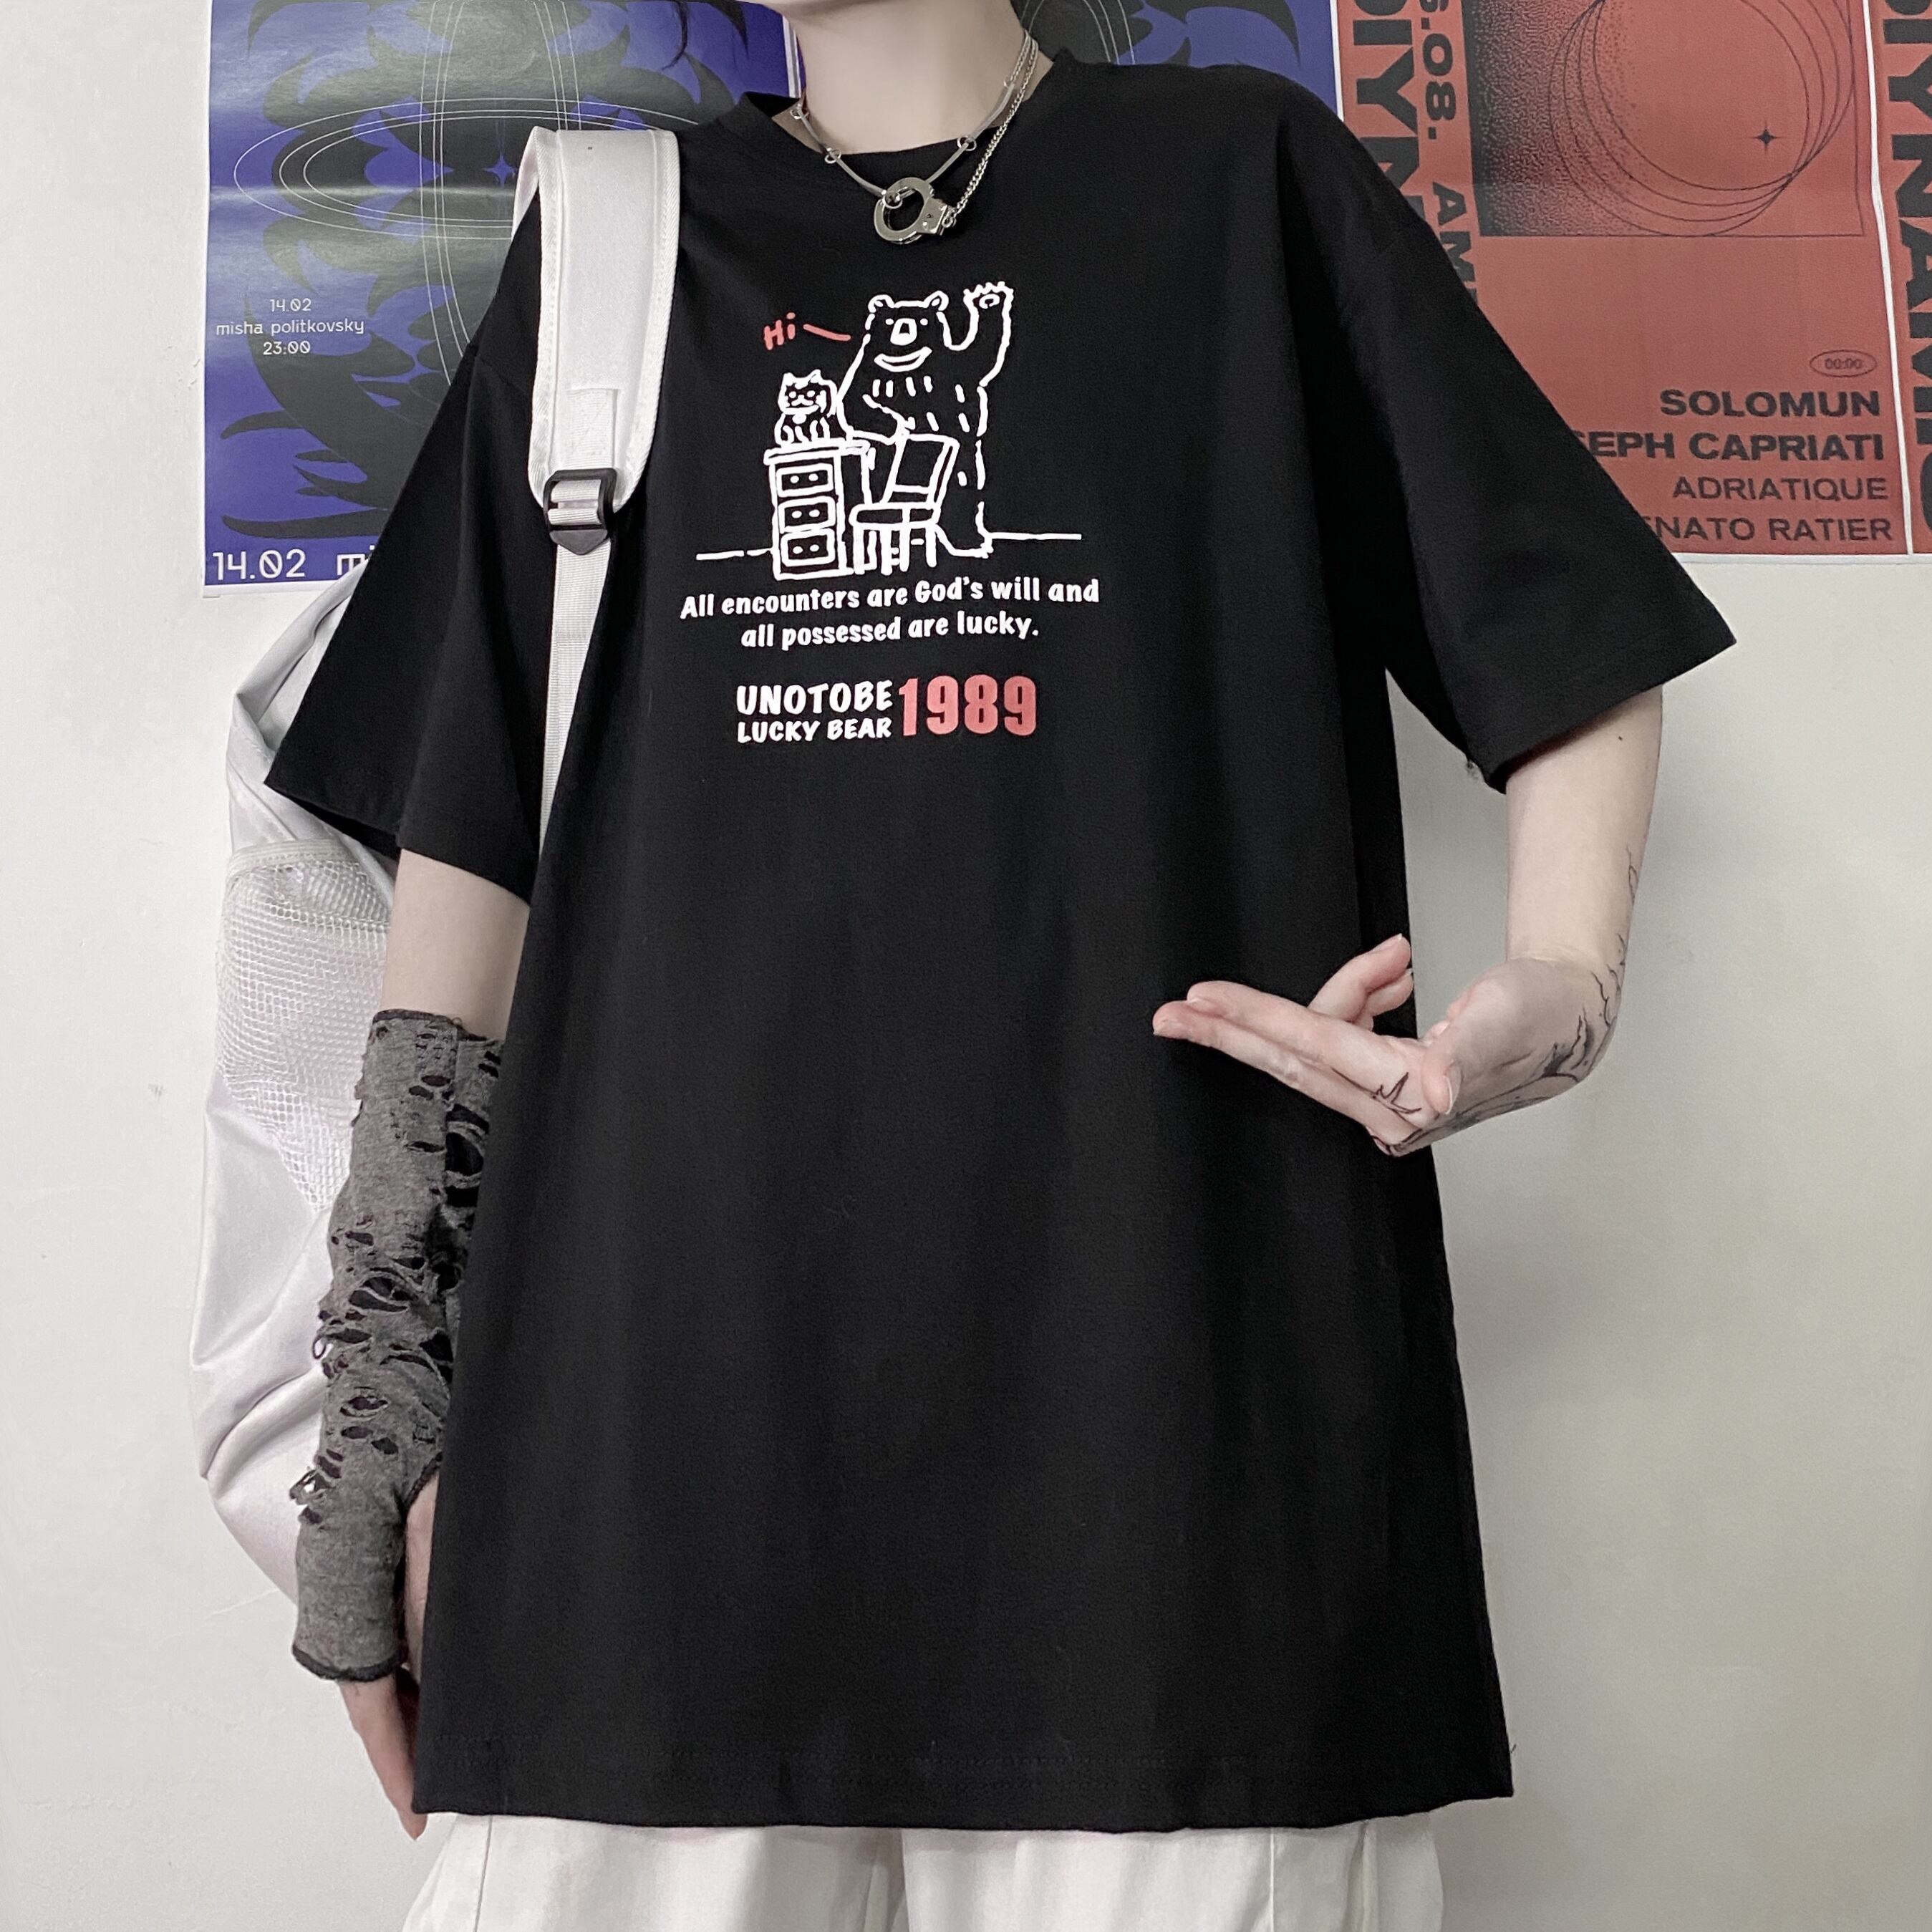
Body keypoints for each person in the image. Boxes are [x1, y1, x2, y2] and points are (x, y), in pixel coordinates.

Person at [261, 1, 1737, 1926]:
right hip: (646, 1462)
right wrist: (380, 1406)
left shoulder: (1239, 180)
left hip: (1189, 1442)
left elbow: (1556, 635)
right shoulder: (616, 238)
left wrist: (1561, 984)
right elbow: (468, 860)